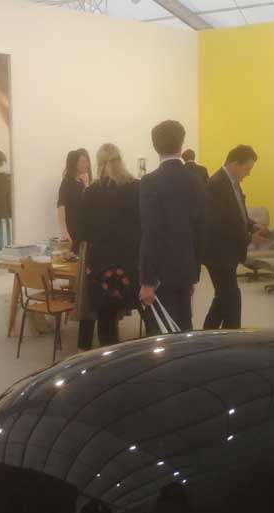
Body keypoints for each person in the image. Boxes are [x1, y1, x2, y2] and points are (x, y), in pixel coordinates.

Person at [139, 120, 207, 333]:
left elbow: (151, 233)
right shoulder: (195, 180)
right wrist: (194, 273)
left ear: (155, 146)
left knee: (161, 333)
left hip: (160, 273)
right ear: (181, 145)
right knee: (184, 327)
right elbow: (200, 230)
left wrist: (147, 280)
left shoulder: (149, 182)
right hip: (186, 268)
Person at [78, 143, 141, 347]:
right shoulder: (136, 187)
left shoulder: (91, 191)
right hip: (130, 262)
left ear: (99, 164)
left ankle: (109, 354)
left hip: (100, 264)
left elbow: (83, 232)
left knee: (105, 316)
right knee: (144, 309)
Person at [203, 145, 260, 330]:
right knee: (230, 298)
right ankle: (219, 335)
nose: (248, 173)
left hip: (229, 253)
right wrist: (250, 237)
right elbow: (220, 225)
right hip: (219, 254)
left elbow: (238, 214)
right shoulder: (216, 185)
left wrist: (253, 225)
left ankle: (221, 335)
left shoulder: (232, 182)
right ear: (235, 164)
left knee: (226, 299)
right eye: (247, 169)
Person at [57, 148, 91, 252]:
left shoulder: (83, 182)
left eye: (87, 161)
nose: (87, 165)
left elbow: (89, 203)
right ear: (75, 164)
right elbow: (61, 206)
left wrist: (86, 185)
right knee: (74, 257)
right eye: (83, 162)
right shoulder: (67, 182)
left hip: (85, 228)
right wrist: (64, 231)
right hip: (73, 229)